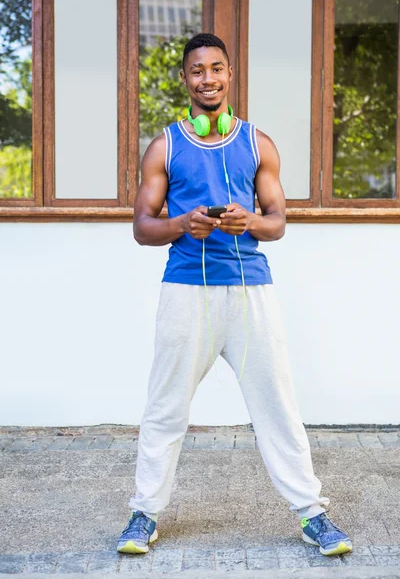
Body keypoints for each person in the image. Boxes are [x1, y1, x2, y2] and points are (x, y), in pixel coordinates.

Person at [117, 33, 352, 558]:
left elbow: (279, 223)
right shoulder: (165, 146)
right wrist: (182, 223)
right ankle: (144, 515)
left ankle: (313, 514)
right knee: (165, 408)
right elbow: (140, 227)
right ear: (184, 79)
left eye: (216, 69)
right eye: (196, 70)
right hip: (187, 291)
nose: (207, 79)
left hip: (250, 292)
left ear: (229, 74)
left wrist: (253, 221)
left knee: (278, 407)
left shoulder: (257, 143)